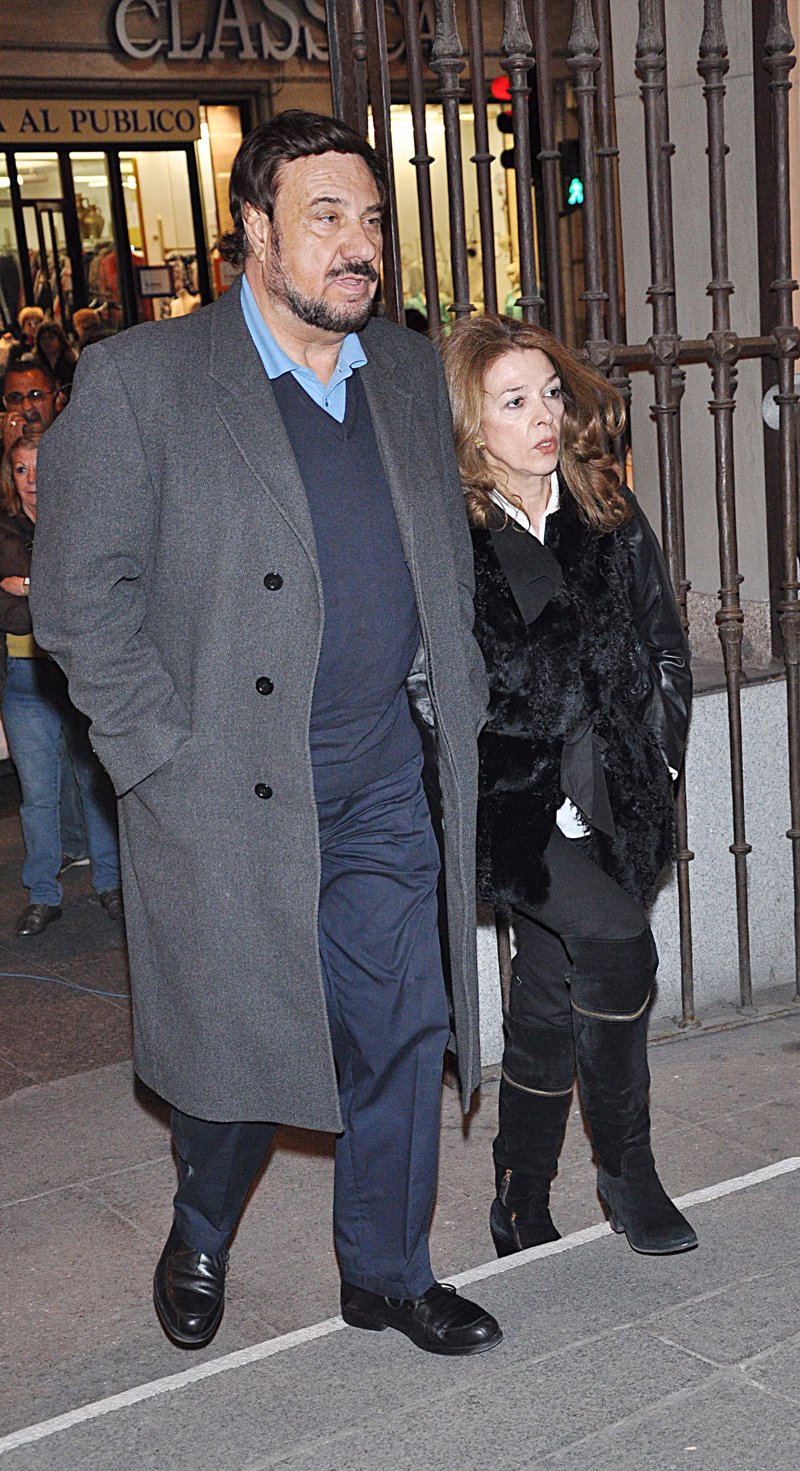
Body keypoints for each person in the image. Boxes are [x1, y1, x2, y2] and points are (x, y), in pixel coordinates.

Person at [31, 110, 501, 1358]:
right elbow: (77, 601)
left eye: (371, 220)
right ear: (254, 230)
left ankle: (386, 1272)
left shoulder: (403, 369)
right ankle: (199, 1224)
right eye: (325, 218)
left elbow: (440, 560)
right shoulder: (142, 381)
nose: (359, 247)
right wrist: (157, 756)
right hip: (225, 789)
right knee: (242, 1044)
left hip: (381, 777)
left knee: (401, 1025)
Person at [442, 313, 697, 1258]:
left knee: (550, 990)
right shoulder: (452, 537)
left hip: (613, 789)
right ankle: (629, 1173)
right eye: (513, 402)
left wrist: (658, 760)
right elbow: (431, 687)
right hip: (514, 808)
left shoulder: (605, 508)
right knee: (622, 944)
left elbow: (665, 644)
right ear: (472, 424)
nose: (544, 416)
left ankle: (519, 1192)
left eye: (549, 393)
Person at [0, 433, 122, 934]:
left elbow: (87, 592)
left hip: (77, 674)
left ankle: (110, 885)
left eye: (40, 467)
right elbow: (12, 615)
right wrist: (43, 592)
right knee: (37, 797)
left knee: (95, 787)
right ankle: (43, 895)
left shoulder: (80, 525)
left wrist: (27, 584)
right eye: (21, 470)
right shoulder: (5, 531)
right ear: (11, 479)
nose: (32, 480)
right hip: (24, 680)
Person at [35, 320, 77, 389]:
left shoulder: (71, 362)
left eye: (51, 338)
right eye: (43, 339)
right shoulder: (36, 364)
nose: (47, 342)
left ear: (60, 340)